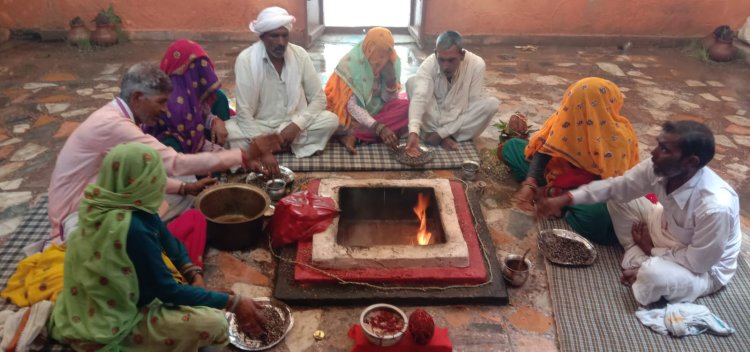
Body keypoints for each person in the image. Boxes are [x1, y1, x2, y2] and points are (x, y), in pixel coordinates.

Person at [48, 143, 266, 351]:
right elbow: (169, 291)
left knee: (193, 224)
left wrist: (195, 275)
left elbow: (170, 242)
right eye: (154, 175)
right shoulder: (132, 229)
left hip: (112, 297)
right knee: (215, 324)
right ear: (140, 180)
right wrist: (233, 302)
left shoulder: (120, 202)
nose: (160, 181)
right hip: (112, 320)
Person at [47, 62, 281, 245]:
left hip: (107, 194)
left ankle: (155, 231)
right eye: (160, 102)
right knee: (158, 212)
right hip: (77, 216)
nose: (165, 110)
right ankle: (150, 241)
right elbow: (174, 163)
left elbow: (142, 172)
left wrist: (182, 188)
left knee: (185, 186)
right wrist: (245, 154)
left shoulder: (120, 116)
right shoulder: (114, 125)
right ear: (138, 97)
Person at [537, 121, 740, 306]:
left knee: (654, 276)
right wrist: (567, 198)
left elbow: (698, 263)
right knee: (617, 197)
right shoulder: (658, 168)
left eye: (664, 150)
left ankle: (643, 263)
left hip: (702, 269)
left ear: (691, 162)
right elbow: (617, 187)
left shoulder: (715, 206)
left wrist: (650, 248)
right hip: (663, 227)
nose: (653, 153)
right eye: (658, 144)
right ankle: (640, 259)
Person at [502, 77, 640, 244]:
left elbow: (610, 186)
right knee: (512, 147)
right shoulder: (566, 116)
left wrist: (558, 195)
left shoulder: (619, 139)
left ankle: (561, 205)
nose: (573, 109)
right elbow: (545, 149)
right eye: (573, 103)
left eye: (581, 106)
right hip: (555, 175)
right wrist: (530, 183)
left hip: (591, 190)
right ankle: (555, 202)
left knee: (596, 218)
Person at [227, 6, 338, 158]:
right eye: (274, 36)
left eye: (285, 36)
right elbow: (244, 112)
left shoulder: (300, 55)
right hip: (261, 126)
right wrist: (262, 143)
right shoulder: (245, 60)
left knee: (330, 120)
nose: (281, 42)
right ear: (262, 37)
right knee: (230, 132)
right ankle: (280, 147)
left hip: (292, 124)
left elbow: (318, 99)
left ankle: (268, 148)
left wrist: (296, 125)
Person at [405, 30, 499, 155]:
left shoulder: (477, 65)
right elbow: (420, 97)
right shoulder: (429, 65)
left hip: (458, 121)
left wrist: (443, 132)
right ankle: (433, 134)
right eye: (441, 60)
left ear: (462, 55)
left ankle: (437, 136)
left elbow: (473, 105)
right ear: (435, 53)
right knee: (412, 82)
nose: (445, 66)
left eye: (451, 60)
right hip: (434, 118)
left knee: (492, 104)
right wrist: (413, 132)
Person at [324, 27, 409, 154]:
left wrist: (390, 82)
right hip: (348, 115)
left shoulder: (391, 62)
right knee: (331, 121)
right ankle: (352, 133)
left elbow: (389, 101)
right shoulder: (351, 64)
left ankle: (354, 135)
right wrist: (379, 127)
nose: (380, 61)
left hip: (375, 113)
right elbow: (352, 107)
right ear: (368, 49)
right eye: (377, 55)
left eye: (384, 56)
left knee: (408, 108)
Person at [143, 39, 231, 153]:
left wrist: (214, 121)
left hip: (197, 137)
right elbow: (190, 133)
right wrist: (222, 156)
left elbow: (202, 111)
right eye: (197, 73)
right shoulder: (174, 104)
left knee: (220, 98)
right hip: (174, 145)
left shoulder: (191, 95)